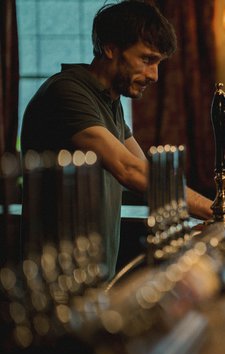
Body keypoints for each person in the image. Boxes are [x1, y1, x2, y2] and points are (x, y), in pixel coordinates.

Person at [20, 0, 213, 278]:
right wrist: (214, 209)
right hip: (56, 282)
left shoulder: (109, 101)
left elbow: (146, 168)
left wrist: (210, 208)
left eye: (158, 63)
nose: (154, 75)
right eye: (147, 60)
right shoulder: (66, 92)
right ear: (110, 48)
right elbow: (129, 170)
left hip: (93, 276)